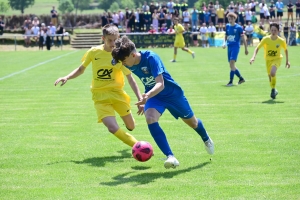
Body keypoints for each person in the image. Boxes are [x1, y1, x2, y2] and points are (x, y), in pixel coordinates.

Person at [111, 36, 215, 169]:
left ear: (133, 55)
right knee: (150, 118)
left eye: (124, 61)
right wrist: (145, 99)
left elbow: (160, 83)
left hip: (172, 94)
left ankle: (206, 138)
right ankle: (170, 156)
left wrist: (147, 95)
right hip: (155, 97)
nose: (123, 64)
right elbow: (115, 59)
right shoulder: (128, 60)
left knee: (193, 123)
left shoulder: (151, 58)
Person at [54, 24, 143, 148]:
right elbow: (81, 69)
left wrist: (140, 98)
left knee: (131, 126)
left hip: (117, 94)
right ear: (103, 38)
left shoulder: (120, 55)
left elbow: (130, 78)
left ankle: (131, 134)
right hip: (100, 96)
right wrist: (67, 77)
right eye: (109, 40)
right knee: (112, 128)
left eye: (115, 40)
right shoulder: (94, 52)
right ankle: (138, 146)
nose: (113, 43)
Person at [250, 22, 290, 99]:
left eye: (275, 30)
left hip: (277, 59)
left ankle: (273, 89)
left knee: (272, 72)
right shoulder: (266, 39)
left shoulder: (281, 41)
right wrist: (253, 57)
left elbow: (285, 50)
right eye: (272, 30)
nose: (273, 32)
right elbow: (257, 48)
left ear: (278, 31)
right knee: (270, 76)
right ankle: (273, 89)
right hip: (268, 60)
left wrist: (287, 61)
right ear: (270, 30)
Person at [222, 12, 248, 86]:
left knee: (232, 63)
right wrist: (224, 43)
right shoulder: (227, 26)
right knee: (231, 65)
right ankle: (241, 78)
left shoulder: (239, 27)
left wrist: (246, 49)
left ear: (234, 19)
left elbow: (243, 38)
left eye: (231, 19)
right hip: (229, 46)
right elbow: (226, 36)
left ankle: (230, 82)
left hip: (235, 47)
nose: (230, 20)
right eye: (229, 19)